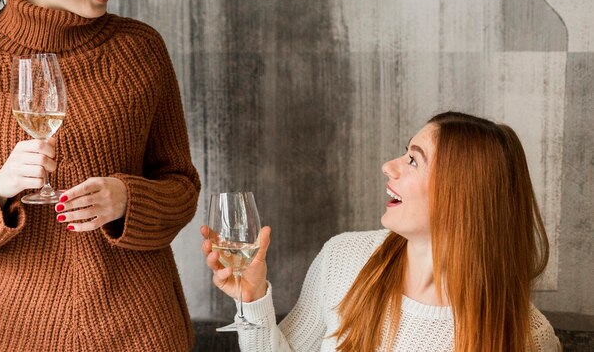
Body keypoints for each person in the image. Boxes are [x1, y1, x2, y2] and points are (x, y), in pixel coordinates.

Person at [0, 0, 200, 350]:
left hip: (143, 331)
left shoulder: (140, 49)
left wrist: (129, 198)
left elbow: (182, 187)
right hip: (17, 334)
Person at [201, 111, 562, 351]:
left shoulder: (527, 335)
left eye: (413, 160)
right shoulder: (344, 258)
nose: (388, 166)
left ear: (461, 194)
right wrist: (252, 298)